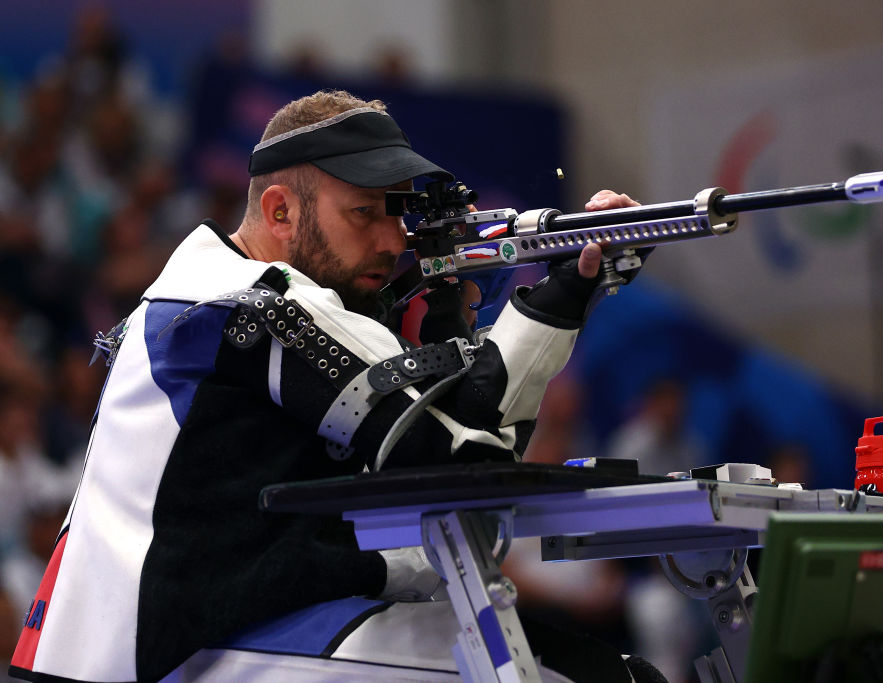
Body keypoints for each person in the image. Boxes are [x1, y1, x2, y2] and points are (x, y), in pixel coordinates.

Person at [9, 90, 657, 682]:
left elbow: (464, 444)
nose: (391, 240)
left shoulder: (206, 288)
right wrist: (545, 299)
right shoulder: (255, 299)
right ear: (279, 209)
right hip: (171, 657)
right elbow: (462, 459)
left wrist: (561, 292)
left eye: (396, 213)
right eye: (363, 213)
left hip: (156, 646)